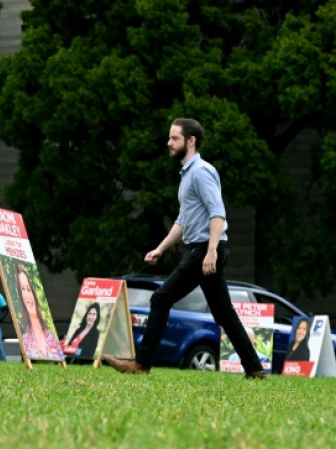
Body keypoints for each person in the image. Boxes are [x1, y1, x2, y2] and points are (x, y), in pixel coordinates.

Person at [103, 118, 267, 379]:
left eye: (175, 138)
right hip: (205, 248)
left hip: (204, 250)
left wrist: (211, 251)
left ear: (191, 141)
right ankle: (255, 370)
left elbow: (218, 213)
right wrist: (161, 248)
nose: (169, 143)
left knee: (161, 298)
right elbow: (183, 220)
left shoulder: (201, 171)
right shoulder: (188, 174)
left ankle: (141, 364)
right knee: (224, 313)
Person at [14, 264, 60, 358]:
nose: (27, 295)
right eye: (23, 289)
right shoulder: (26, 339)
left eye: (29, 289)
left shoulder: (50, 335)